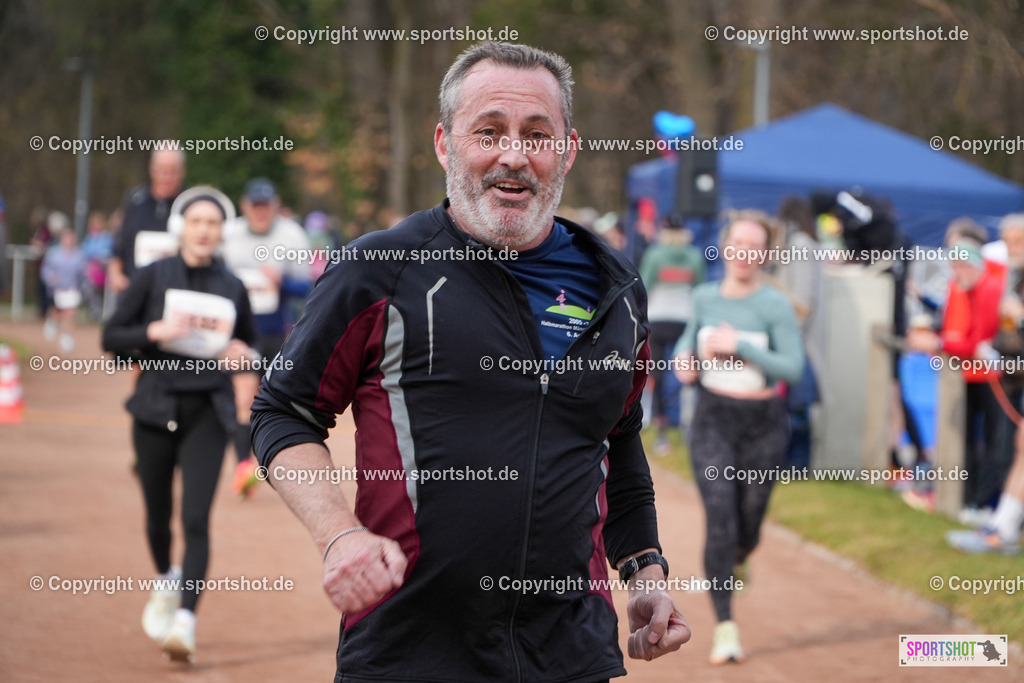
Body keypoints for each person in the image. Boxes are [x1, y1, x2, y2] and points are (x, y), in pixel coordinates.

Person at [251, 41, 690, 681]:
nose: (513, 155)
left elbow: (618, 441)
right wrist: (337, 533)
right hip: (409, 649)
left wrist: (644, 571)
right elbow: (281, 412)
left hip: (573, 653)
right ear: (444, 144)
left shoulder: (616, 287)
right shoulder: (379, 271)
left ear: (566, 150)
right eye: (489, 131)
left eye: (537, 135)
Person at [102, 189, 257, 663]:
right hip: (153, 408)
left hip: (206, 413)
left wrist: (243, 356)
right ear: (181, 228)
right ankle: (167, 579)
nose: (204, 229)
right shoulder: (152, 277)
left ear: (221, 230)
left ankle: (186, 620)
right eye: (196, 221)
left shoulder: (233, 286)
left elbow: (249, 350)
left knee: (195, 519)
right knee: (156, 518)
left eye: (213, 222)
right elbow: (112, 336)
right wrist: (153, 332)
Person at [674, 209, 804, 665]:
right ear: (725, 247)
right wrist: (682, 361)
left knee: (749, 521)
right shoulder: (706, 296)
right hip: (713, 419)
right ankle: (725, 627)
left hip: (763, 424)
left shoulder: (774, 305)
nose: (744, 253)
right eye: (737, 243)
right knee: (720, 517)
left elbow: (793, 368)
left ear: (765, 254)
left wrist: (743, 347)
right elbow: (688, 341)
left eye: (754, 245)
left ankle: (743, 552)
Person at [221, 178, 312, 497]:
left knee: (272, 401)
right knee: (243, 397)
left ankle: (265, 460)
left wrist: (283, 282)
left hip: (279, 333)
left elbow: (310, 287)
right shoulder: (228, 235)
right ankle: (244, 466)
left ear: (275, 205)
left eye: (266, 205)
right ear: (244, 206)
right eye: (254, 205)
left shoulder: (292, 235)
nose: (260, 212)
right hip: (241, 333)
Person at [906, 237, 1002, 513]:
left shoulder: (987, 290)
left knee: (995, 443)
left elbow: (978, 342)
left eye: (958, 266)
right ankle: (970, 500)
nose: (955, 273)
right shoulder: (973, 290)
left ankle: (982, 503)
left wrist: (938, 343)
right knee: (970, 439)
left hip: (990, 376)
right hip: (976, 374)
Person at [638, 215, 706, 453]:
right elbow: (701, 289)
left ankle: (662, 432)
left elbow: (643, 286)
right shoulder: (696, 255)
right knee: (690, 374)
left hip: (658, 319)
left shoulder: (655, 254)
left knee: (658, 375)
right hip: (686, 321)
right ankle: (690, 427)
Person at [108, 148, 186, 293]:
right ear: (152, 169)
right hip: (135, 289)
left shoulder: (189, 204)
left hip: (176, 291)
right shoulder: (135, 200)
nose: (167, 177)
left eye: (173, 171)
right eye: (162, 170)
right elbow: (119, 246)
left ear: (183, 171)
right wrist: (116, 275)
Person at [41, 225, 87, 352]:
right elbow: (46, 269)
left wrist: (86, 285)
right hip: (57, 288)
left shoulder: (79, 255)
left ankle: (67, 338)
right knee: (58, 312)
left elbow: (83, 273)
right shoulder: (54, 253)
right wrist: (50, 278)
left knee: (70, 313)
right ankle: (52, 322)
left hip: (72, 288)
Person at [81, 211, 115, 320]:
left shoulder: (108, 238)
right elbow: (85, 254)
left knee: (112, 290)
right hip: (92, 273)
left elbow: (109, 254)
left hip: (106, 271)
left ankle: (109, 315)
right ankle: (95, 312)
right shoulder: (89, 239)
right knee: (86, 288)